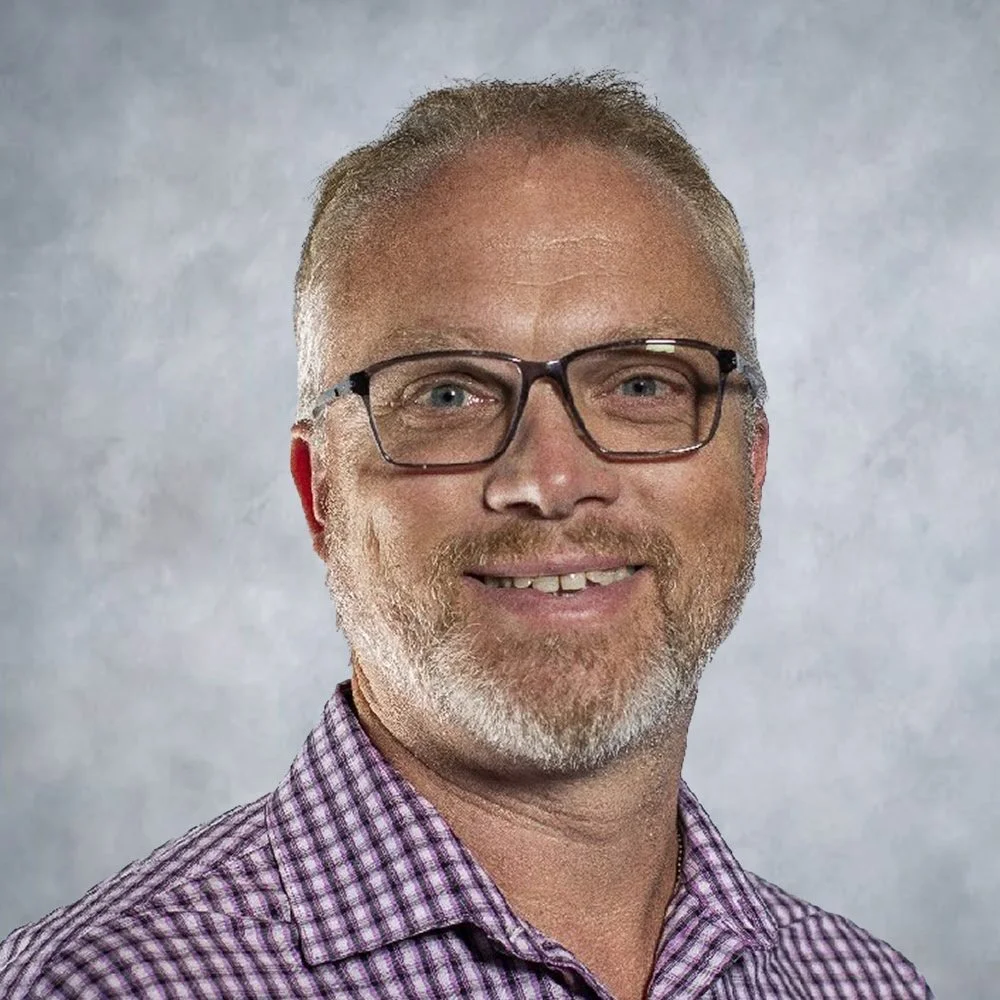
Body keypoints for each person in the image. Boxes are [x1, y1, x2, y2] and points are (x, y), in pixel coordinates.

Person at [0, 73, 934, 1000]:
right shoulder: (105, 986)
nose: (552, 481)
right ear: (319, 491)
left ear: (751, 463)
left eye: (643, 384)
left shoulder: (863, 984)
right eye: (448, 394)